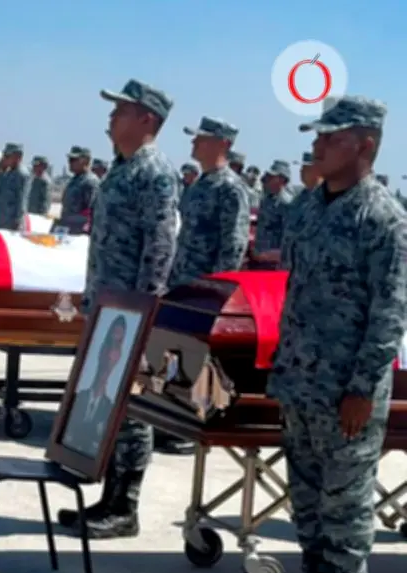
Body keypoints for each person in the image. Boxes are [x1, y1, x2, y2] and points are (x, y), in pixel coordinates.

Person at [269, 95, 407, 573]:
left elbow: (389, 313)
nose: (318, 145)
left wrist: (362, 388)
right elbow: (293, 291)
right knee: (305, 496)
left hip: (346, 390)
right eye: (318, 136)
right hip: (300, 382)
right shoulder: (306, 208)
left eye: (332, 137)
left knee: (345, 503)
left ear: (365, 145)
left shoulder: (383, 219)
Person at [56, 78, 179, 539]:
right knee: (110, 405)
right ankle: (108, 497)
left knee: (132, 408)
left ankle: (125, 505)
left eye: (121, 110)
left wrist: (143, 312)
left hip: (130, 310)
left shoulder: (154, 172)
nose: (111, 117)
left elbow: (159, 247)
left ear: (147, 119)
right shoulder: (123, 169)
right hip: (109, 305)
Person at [169, 116, 249, 288]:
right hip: (180, 283)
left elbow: (233, 247)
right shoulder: (198, 184)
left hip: (204, 289)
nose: (194, 141)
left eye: (202, 138)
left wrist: (217, 289)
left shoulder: (230, 188)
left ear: (223, 144)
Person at [63, 315, 126, 457]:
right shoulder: (79, 397)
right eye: (108, 345)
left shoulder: (109, 406)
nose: (109, 356)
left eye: (116, 348)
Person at [253, 159, 293, 265]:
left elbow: (288, 238)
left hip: (273, 261)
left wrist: (273, 255)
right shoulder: (266, 200)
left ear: (282, 180)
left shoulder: (286, 203)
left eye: (272, 177)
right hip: (259, 257)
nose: (267, 179)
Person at [0, 143, 30, 230]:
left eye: (8, 156)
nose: (5, 158)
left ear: (17, 157)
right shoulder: (7, 173)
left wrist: (17, 221)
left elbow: (22, 200)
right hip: (2, 220)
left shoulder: (21, 174)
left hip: (12, 223)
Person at [60, 146, 100, 220]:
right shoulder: (73, 180)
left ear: (86, 161)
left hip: (79, 225)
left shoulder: (90, 181)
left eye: (74, 160)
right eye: (70, 159)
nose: (70, 162)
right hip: (67, 223)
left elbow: (91, 211)